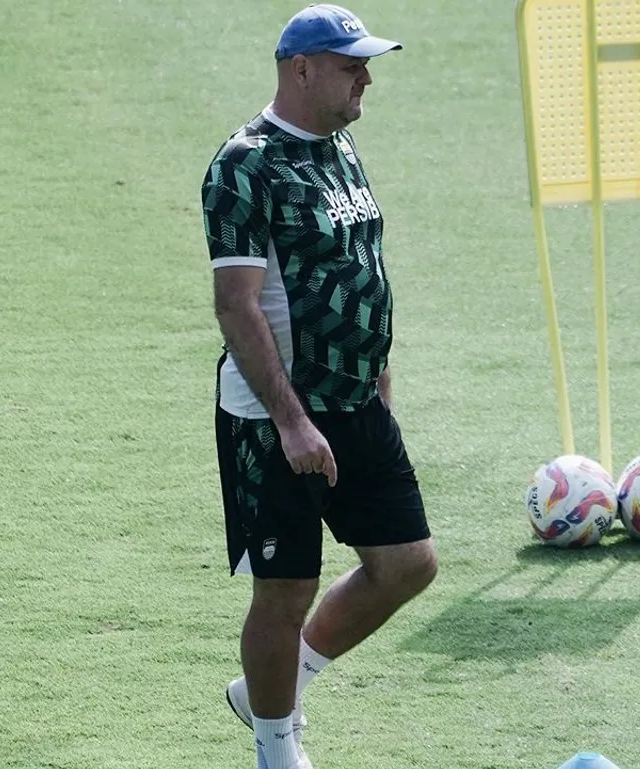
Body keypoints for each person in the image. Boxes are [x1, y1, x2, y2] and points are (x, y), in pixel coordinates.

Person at [199, 5, 438, 768]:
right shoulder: (245, 165)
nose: (366, 76)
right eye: (351, 65)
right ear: (301, 69)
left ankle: (275, 683)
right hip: (277, 417)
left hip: (359, 400)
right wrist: (294, 423)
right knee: (285, 587)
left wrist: (381, 388)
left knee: (407, 564)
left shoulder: (341, 147)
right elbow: (237, 304)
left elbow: (362, 274)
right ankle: (276, 744)